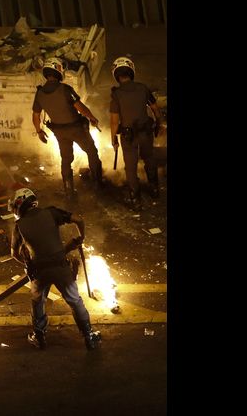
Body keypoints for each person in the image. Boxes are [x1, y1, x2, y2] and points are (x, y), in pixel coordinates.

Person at [9, 188, 101, 350]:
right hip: (60, 266)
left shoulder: (19, 226)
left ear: (20, 205)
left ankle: (39, 337)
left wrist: (27, 264)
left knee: (38, 302)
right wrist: (81, 238)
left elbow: (14, 254)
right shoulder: (51, 213)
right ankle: (89, 336)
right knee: (74, 300)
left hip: (39, 271)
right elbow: (78, 220)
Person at [31, 57, 103, 198]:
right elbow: (80, 107)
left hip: (59, 132)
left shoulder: (39, 93)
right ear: (58, 70)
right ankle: (98, 184)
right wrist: (92, 118)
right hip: (76, 129)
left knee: (66, 159)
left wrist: (39, 131)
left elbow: (35, 115)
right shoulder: (65, 89)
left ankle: (68, 190)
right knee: (91, 152)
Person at [108, 56, 162, 209]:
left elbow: (113, 121)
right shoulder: (143, 88)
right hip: (145, 133)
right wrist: (159, 123)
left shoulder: (116, 95)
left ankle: (135, 199)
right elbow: (155, 109)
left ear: (116, 74)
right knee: (149, 159)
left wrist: (114, 139)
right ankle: (154, 189)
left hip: (128, 137)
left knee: (130, 167)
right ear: (131, 71)